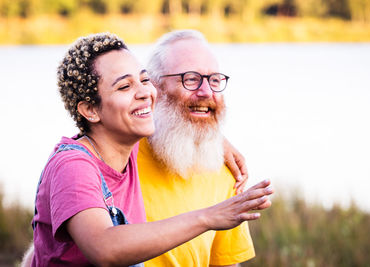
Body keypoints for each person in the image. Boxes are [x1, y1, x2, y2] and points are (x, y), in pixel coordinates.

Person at [25, 32, 273, 267]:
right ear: (90, 110)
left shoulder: (127, 147)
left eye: (144, 80)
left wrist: (214, 136)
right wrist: (207, 218)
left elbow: (173, 120)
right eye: (125, 87)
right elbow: (104, 248)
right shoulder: (73, 165)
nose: (144, 92)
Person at [135, 29, 269, 266]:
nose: (206, 92)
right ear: (153, 88)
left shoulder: (224, 169)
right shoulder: (120, 154)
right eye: (190, 78)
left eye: (215, 80)